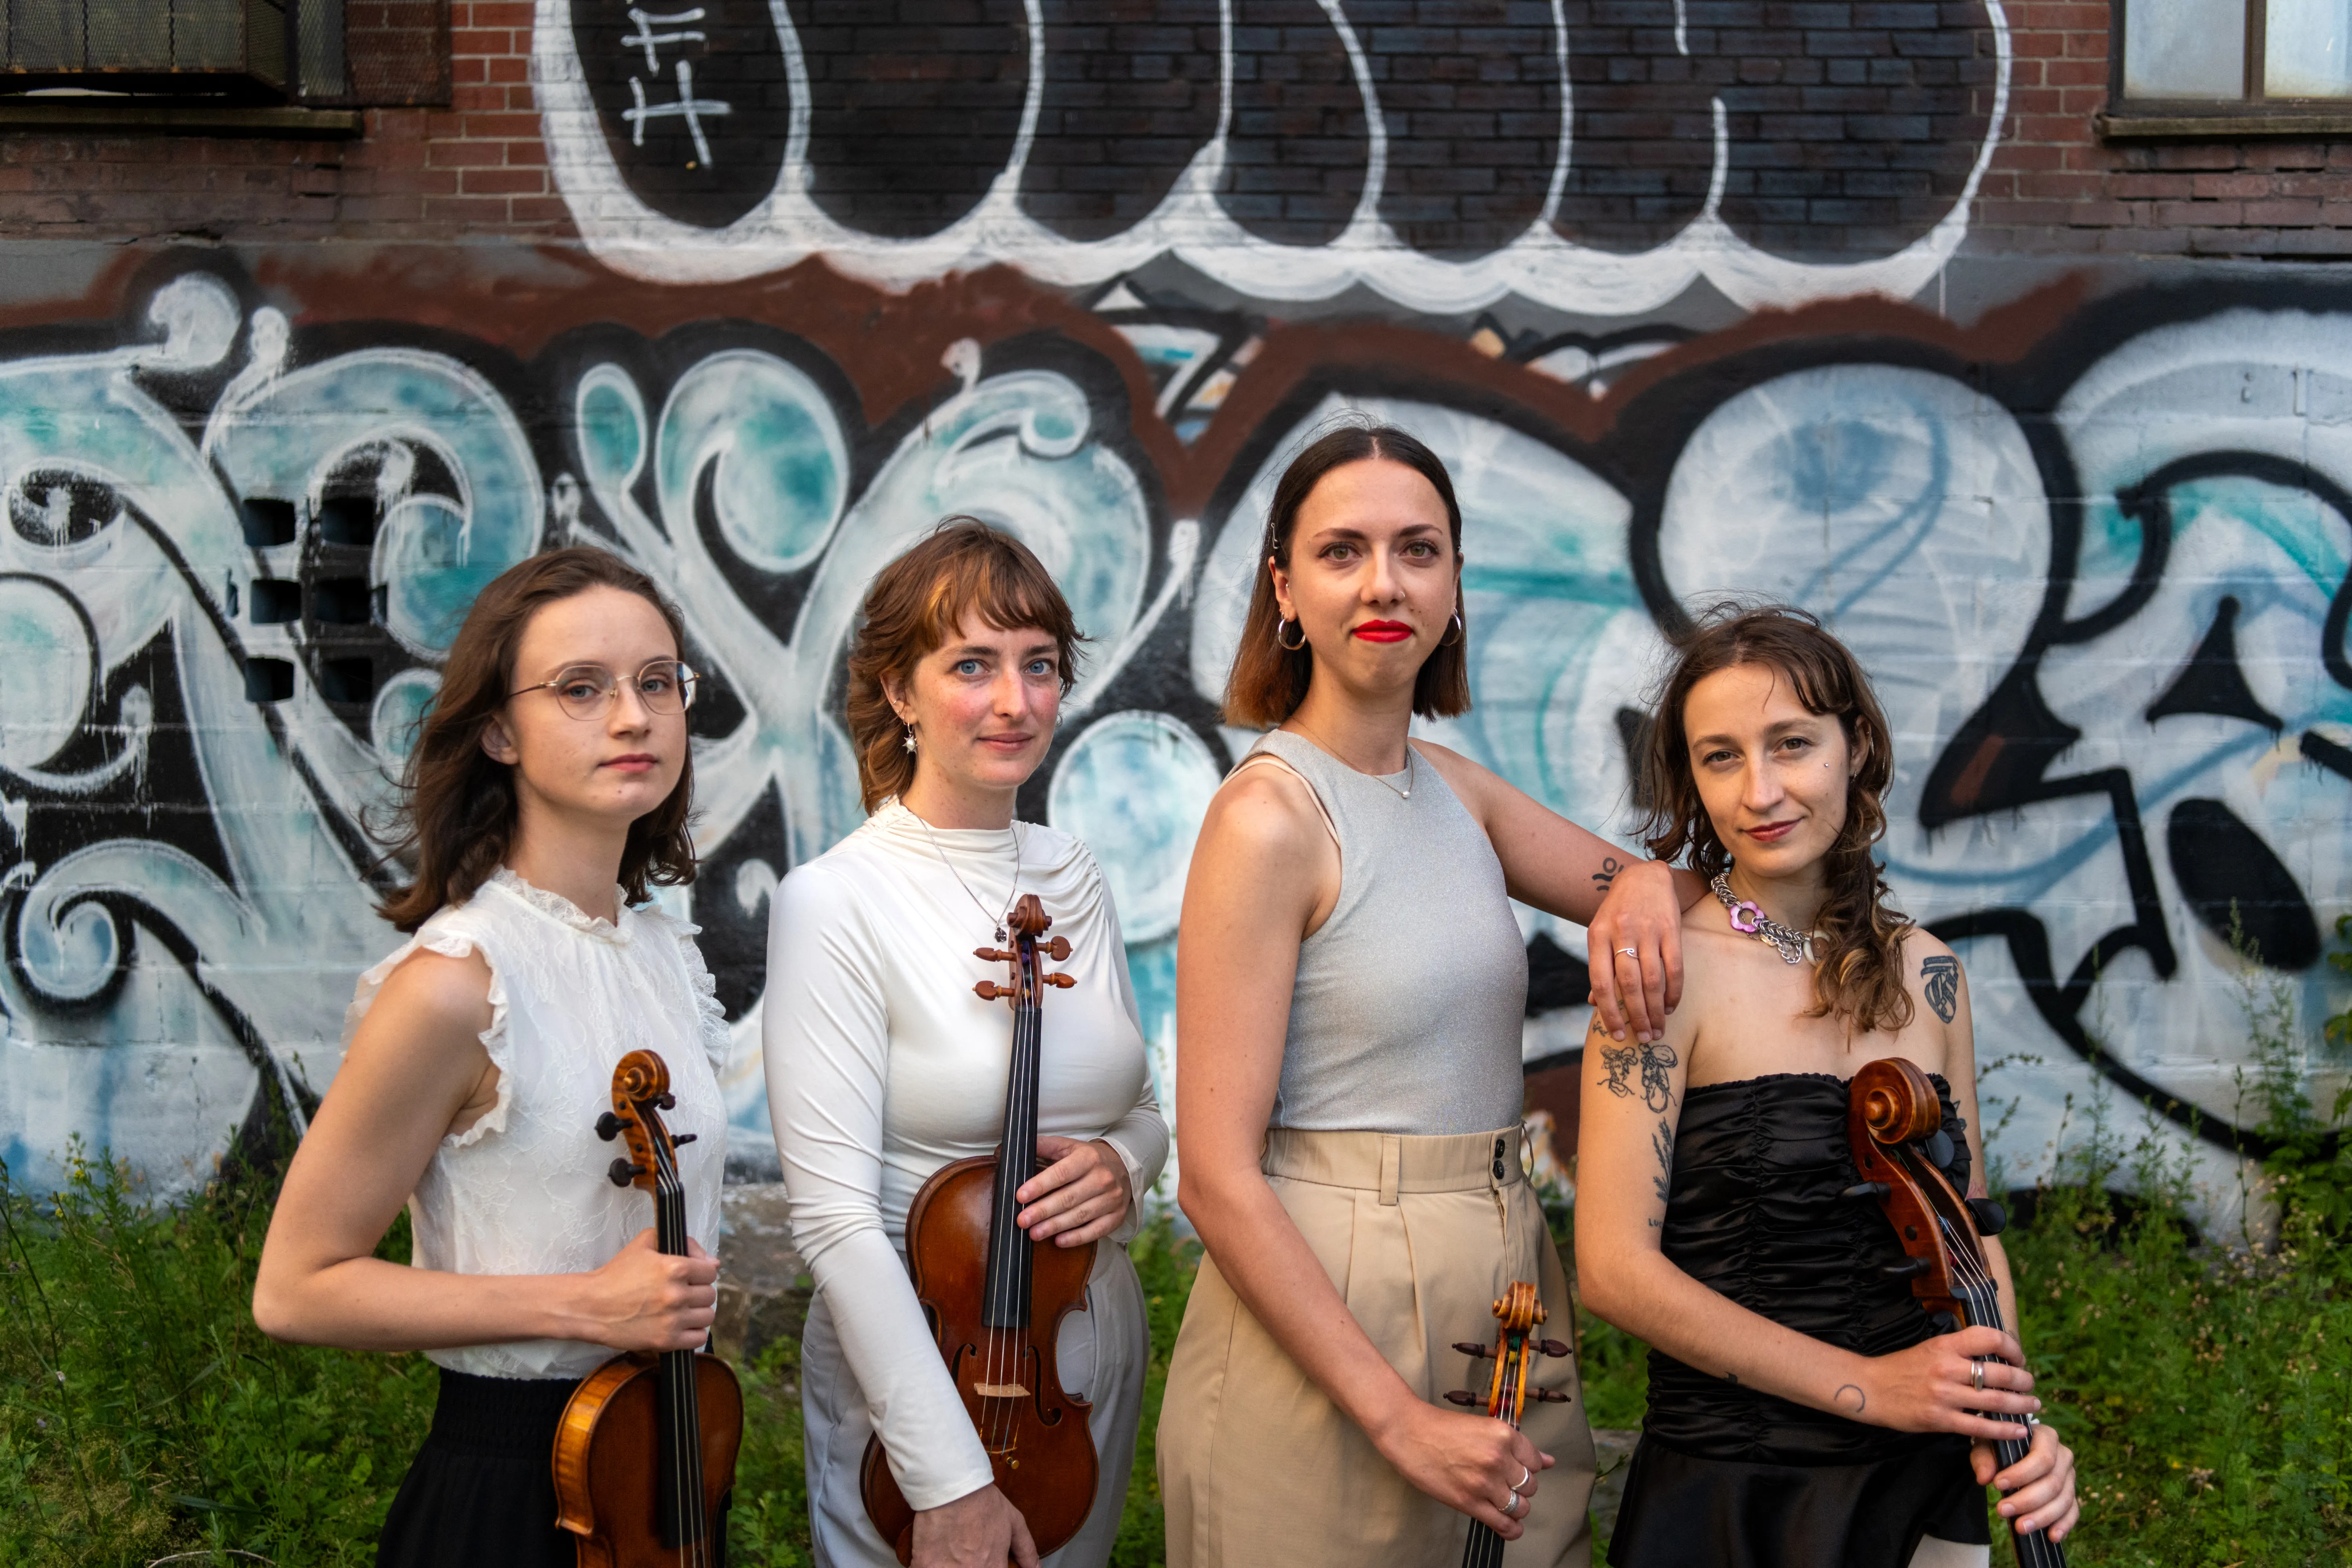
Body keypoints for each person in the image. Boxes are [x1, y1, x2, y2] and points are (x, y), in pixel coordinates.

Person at [1157, 421, 1702, 1568]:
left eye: (1419, 549)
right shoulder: (1269, 819)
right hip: (1326, 1311)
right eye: (1342, 551)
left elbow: (1671, 894)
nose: (1383, 583)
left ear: (1456, 585)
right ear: (1284, 589)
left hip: (1500, 1269)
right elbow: (1212, 1173)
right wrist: (1396, 1416)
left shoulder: (1455, 790)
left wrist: (1648, 880)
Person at [251, 548, 730, 1568]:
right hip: (510, 1493)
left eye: (657, 681)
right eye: (580, 689)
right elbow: (294, 1287)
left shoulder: (662, 953)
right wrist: (583, 1303)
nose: (633, 716)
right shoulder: (458, 982)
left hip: (664, 1471)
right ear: (500, 731)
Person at [1577, 603, 2082, 1567]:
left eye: (1792, 743)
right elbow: (1611, 1268)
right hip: (1738, 1491)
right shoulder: (1660, 973)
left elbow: (1966, 1230)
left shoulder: (1929, 974)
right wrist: (1868, 1386)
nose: (1760, 789)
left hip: (1921, 1485)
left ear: (1856, 746)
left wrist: (2012, 1425)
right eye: (1719, 756)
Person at [763, 519, 1170, 1568]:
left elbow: (1133, 1097)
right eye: (972, 666)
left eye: (1039, 667)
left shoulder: (1072, 870)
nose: (1014, 701)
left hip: (1081, 1352)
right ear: (900, 692)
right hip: (919, 1369)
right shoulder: (835, 900)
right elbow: (834, 1220)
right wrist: (949, 1482)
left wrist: (1127, 1162)